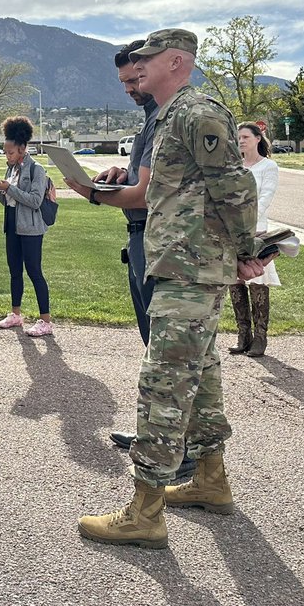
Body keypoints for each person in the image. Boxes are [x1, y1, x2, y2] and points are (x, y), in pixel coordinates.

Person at [78, 28, 264, 549]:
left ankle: (146, 510)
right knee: (201, 377)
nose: (137, 68)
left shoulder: (196, 110)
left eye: (147, 59)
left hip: (191, 268)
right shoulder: (167, 116)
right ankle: (210, 479)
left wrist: (247, 251)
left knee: (164, 384)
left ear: (177, 61)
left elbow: (235, 187)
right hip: (182, 264)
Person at [62, 40, 196, 478]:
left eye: (135, 78)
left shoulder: (174, 118)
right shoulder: (149, 123)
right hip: (141, 238)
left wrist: (89, 193)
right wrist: (117, 176)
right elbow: (140, 181)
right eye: (125, 80)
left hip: (164, 244)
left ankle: (181, 452)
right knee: (153, 343)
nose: (130, 87)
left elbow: (147, 194)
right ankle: (159, 437)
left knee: (170, 355)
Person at [0, 115, 56, 337]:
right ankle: (16, 314)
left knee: (34, 271)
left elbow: (35, 200)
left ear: (22, 148)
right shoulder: (11, 169)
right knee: (14, 270)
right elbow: (10, 199)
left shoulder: (36, 169)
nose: (6, 156)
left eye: (10, 152)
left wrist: (9, 188)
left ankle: (45, 320)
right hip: (11, 224)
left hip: (31, 228)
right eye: (5, 152)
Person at [228, 122, 280, 358]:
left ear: (258, 138)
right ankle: (243, 334)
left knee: (258, 280)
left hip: (255, 230)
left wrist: (244, 224)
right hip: (230, 232)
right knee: (235, 281)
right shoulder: (233, 167)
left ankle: (260, 337)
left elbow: (264, 198)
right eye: (238, 137)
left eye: (246, 136)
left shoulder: (268, 167)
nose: (241, 140)